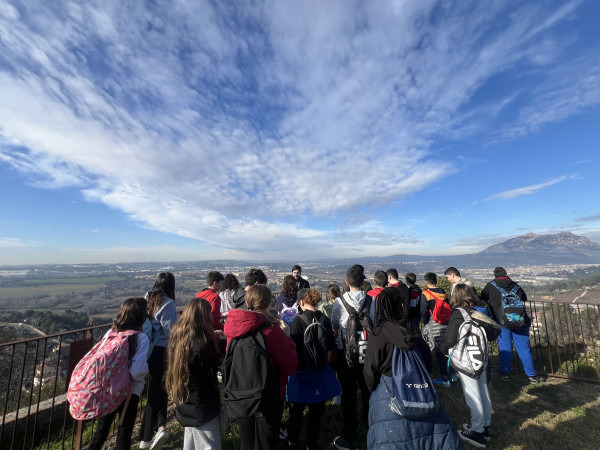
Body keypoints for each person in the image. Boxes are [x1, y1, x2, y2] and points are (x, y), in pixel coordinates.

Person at [364, 288, 463, 450]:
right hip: (418, 387)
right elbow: (426, 360)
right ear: (402, 306)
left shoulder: (379, 334)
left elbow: (370, 370)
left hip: (387, 389)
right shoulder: (412, 329)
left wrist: (373, 390)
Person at [224, 285, 298, 450]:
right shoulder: (272, 331)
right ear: (267, 304)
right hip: (269, 396)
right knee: (267, 441)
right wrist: (288, 338)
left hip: (240, 393)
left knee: (247, 441)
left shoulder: (233, 329)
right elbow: (290, 366)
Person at [88, 298, 150, 450]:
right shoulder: (141, 338)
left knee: (101, 431)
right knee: (124, 431)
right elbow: (137, 372)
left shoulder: (111, 333)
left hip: (108, 389)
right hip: (130, 392)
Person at [440, 284, 492, 448]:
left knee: (473, 395)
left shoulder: (458, 314)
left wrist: (442, 350)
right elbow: (492, 333)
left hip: (466, 359)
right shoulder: (478, 312)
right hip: (481, 358)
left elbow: (449, 339)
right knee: (483, 391)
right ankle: (484, 426)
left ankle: (477, 432)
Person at [166, 298, 222, 450]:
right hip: (203, 402)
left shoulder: (179, 337)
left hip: (186, 399)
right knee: (209, 444)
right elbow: (212, 368)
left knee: (191, 442)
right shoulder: (203, 342)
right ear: (203, 316)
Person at [332, 265, 376, 450]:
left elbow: (335, 324)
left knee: (349, 395)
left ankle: (349, 432)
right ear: (364, 282)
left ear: (346, 283)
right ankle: (371, 425)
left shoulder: (339, 302)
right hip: (367, 355)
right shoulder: (372, 301)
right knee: (368, 393)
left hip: (346, 357)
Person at [287, 289, 337, 450]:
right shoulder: (325, 319)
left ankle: (292, 439)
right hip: (320, 370)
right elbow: (330, 346)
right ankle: (312, 443)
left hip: (301, 371)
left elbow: (293, 348)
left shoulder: (298, 321)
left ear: (302, 302)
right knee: (316, 412)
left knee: (296, 410)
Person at [479, 267, 544, 383]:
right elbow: (524, 297)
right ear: (506, 274)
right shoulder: (516, 286)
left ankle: (504, 373)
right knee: (524, 349)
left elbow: (482, 297)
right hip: (520, 321)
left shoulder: (491, 286)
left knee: (505, 348)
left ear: (495, 276)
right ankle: (532, 376)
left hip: (502, 322)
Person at [138, 272, 178, 450]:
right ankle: (146, 437)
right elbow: (171, 333)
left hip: (146, 349)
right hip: (162, 351)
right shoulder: (168, 304)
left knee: (158, 390)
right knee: (158, 390)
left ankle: (159, 428)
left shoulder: (147, 297)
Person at [420, 272, 455, 386]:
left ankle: (444, 378)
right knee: (448, 349)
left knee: (439, 351)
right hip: (447, 323)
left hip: (434, 325)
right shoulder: (443, 292)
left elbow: (424, 311)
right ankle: (453, 374)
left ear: (426, 282)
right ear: (436, 281)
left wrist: (426, 324)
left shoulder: (426, 294)